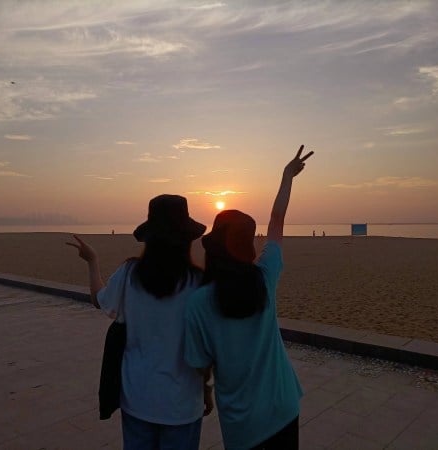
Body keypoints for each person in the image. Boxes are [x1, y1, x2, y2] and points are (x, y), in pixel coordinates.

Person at [184, 146, 314, 450]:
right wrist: (287, 177)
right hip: (283, 407)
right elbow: (277, 220)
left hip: (242, 424)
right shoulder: (264, 278)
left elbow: (200, 364)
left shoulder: (199, 302)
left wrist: (205, 392)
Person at [67, 194, 213, 450]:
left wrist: (93, 262)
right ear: (187, 238)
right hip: (183, 403)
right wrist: (207, 389)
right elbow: (203, 352)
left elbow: (99, 300)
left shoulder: (129, 273)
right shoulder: (199, 283)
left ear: (150, 237)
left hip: (137, 398)